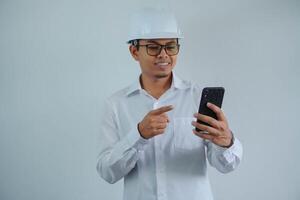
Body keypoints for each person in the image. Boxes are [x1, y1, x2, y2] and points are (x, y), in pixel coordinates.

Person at [96, 8, 243, 200]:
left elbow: (226, 166)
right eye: (153, 47)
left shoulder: (197, 97)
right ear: (134, 51)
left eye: (171, 46)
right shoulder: (116, 105)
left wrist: (227, 142)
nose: (163, 55)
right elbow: (107, 173)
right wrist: (138, 135)